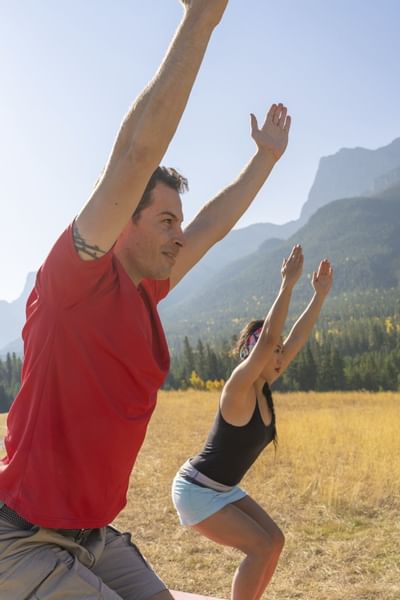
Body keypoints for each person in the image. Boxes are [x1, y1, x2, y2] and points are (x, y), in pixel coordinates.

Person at [0, 1, 293, 599]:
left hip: (91, 537)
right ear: (122, 222)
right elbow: (136, 155)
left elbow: (210, 227)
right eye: (164, 220)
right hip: (21, 539)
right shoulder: (73, 282)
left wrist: (265, 159)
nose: (177, 234)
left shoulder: (143, 292)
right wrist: (201, 19)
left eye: (176, 221)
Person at [172, 246, 333, 600]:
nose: (279, 357)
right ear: (251, 354)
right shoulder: (239, 387)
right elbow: (273, 340)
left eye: (279, 353)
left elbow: (294, 339)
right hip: (196, 491)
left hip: (221, 489)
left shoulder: (263, 385)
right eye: (271, 351)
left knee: (274, 541)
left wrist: (318, 297)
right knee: (259, 547)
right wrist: (287, 285)